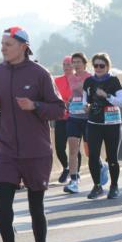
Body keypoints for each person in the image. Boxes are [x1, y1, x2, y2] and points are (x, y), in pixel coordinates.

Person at [0, 27, 65, 242]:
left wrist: (36, 106)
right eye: (2, 44)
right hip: (7, 150)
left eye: (8, 44)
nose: (3, 48)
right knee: (3, 206)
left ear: (23, 46)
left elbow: (59, 109)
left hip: (35, 151)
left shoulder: (39, 74)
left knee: (35, 207)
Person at [84, 53, 122, 200]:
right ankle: (97, 186)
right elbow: (86, 100)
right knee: (93, 156)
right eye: (95, 65)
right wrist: (86, 107)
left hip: (112, 123)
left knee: (112, 157)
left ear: (108, 66)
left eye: (101, 65)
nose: (98, 68)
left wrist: (107, 96)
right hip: (94, 123)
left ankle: (114, 186)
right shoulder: (88, 81)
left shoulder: (114, 81)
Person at [62, 52, 93, 194]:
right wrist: (68, 103)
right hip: (74, 117)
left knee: (90, 151)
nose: (75, 65)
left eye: (78, 62)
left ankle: (100, 165)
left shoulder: (90, 77)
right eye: (73, 62)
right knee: (73, 150)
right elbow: (75, 93)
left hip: (87, 118)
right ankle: (73, 180)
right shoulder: (71, 78)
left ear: (84, 63)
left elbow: (88, 94)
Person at [53, 56, 82, 184]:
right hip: (60, 117)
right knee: (59, 148)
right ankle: (66, 167)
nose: (66, 67)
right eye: (64, 64)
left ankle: (76, 173)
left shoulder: (79, 80)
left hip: (75, 117)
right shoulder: (57, 81)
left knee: (74, 148)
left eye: (69, 64)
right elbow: (52, 96)